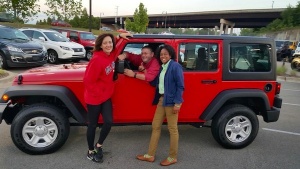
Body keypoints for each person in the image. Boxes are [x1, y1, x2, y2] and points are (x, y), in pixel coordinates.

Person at [83, 32, 132, 163]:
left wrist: (121, 36)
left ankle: (98, 145)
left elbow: (116, 47)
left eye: (110, 42)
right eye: (105, 43)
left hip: (105, 96)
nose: (108, 45)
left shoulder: (110, 55)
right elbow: (88, 81)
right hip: (94, 98)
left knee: (109, 122)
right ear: (100, 45)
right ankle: (90, 150)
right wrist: (100, 92)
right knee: (92, 125)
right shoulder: (97, 60)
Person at [136, 44, 184, 166]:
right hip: (162, 100)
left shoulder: (175, 66)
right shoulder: (163, 67)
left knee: (172, 129)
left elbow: (180, 86)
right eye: (161, 54)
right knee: (155, 126)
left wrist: (178, 103)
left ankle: (173, 157)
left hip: (172, 101)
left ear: (170, 54)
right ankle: (150, 155)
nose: (163, 56)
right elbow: (155, 81)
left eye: (165, 54)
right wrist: (144, 71)